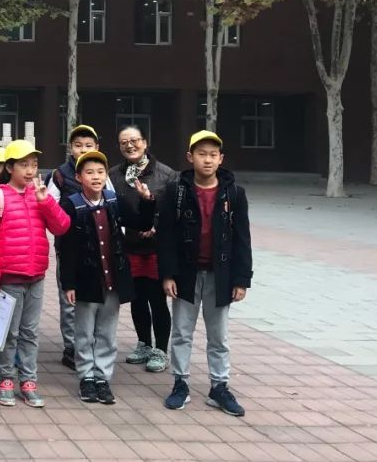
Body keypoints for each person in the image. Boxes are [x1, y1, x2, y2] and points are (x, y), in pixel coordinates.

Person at [158, 131, 253, 417]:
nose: (207, 160)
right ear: (190, 157)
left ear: (221, 158)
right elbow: (165, 236)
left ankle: (219, 387)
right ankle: (180, 383)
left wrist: (242, 279)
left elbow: (242, 239)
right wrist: (168, 274)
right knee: (182, 332)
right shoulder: (176, 192)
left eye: (213, 154)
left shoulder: (234, 194)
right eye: (202, 154)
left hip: (220, 275)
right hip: (185, 274)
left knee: (219, 336)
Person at [59, 151, 155, 405]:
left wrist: (146, 200)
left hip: (112, 280)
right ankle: (86, 377)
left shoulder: (114, 200)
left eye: (100, 172)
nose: (96, 177)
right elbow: (66, 248)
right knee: (84, 333)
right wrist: (68, 283)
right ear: (79, 177)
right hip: (85, 281)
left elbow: (141, 224)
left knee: (107, 333)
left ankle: (102, 378)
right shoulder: (71, 205)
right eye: (89, 172)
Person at [0, 140, 70, 407]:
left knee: (30, 332)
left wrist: (46, 202)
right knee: (9, 333)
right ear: (10, 168)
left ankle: (29, 380)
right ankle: (6, 379)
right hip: (9, 277)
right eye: (24, 165)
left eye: (34, 165)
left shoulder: (39, 195)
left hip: (36, 276)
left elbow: (62, 226)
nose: (30, 170)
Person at [108, 125, 176, 373]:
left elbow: (173, 210)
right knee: (136, 299)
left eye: (135, 140)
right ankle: (144, 343)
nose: (130, 146)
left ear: (145, 143)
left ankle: (161, 349)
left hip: (157, 248)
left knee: (157, 299)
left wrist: (156, 226)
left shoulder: (166, 174)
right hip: (129, 246)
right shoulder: (113, 175)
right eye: (124, 142)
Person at [47, 124, 114, 371]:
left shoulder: (102, 174)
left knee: (95, 297)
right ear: (70, 148)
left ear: (97, 147)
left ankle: (91, 344)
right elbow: (51, 208)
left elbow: (113, 205)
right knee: (70, 298)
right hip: (69, 247)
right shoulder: (59, 175)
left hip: (101, 249)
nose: (83, 149)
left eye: (88, 145)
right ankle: (71, 347)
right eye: (78, 145)